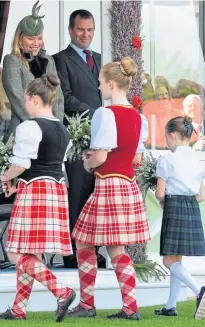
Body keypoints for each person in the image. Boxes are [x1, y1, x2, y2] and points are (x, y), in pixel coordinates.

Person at [68, 57, 150, 320]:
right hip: (127, 185)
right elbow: (137, 159)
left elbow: (101, 156)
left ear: (112, 84)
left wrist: (88, 162)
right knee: (104, 245)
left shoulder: (106, 113)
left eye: (101, 82)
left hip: (108, 184)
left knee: (92, 243)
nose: (99, 87)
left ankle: (93, 305)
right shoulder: (138, 117)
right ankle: (122, 306)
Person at [0, 73, 75, 321]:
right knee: (32, 253)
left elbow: (21, 164)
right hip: (55, 190)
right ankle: (19, 309)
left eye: (26, 99)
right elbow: (54, 164)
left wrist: (5, 176)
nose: (25, 104)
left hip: (36, 191)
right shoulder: (62, 129)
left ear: (34, 99)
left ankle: (62, 292)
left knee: (15, 253)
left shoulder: (29, 127)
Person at [52, 10, 102, 268]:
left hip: (100, 139)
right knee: (77, 194)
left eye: (90, 30)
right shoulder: (60, 60)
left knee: (96, 194)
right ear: (71, 30)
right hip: (75, 136)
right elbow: (66, 98)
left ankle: (93, 250)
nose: (86, 35)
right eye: (81, 30)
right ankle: (72, 251)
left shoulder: (100, 59)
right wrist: (97, 113)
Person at [153, 115, 205, 320]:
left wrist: (162, 199)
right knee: (177, 258)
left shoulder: (166, 160)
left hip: (174, 206)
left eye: (166, 138)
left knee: (169, 260)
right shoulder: (198, 162)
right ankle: (170, 306)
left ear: (172, 135)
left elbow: (160, 193)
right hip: (191, 207)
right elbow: (201, 196)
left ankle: (199, 290)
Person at [2, 1, 64, 138]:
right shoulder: (12, 61)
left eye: (39, 38)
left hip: (50, 132)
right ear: (20, 39)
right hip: (23, 129)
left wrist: (56, 126)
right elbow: (17, 98)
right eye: (31, 39)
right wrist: (39, 127)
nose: (36, 43)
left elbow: (58, 97)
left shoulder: (49, 61)